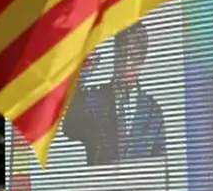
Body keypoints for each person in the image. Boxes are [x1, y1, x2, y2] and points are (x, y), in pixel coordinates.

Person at [62, 22, 166, 165]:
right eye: (123, 55)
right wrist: (82, 75)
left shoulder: (153, 112)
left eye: (134, 58)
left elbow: (160, 165)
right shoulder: (93, 100)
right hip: (100, 186)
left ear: (142, 60)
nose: (126, 65)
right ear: (115, 53)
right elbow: (70, 128)